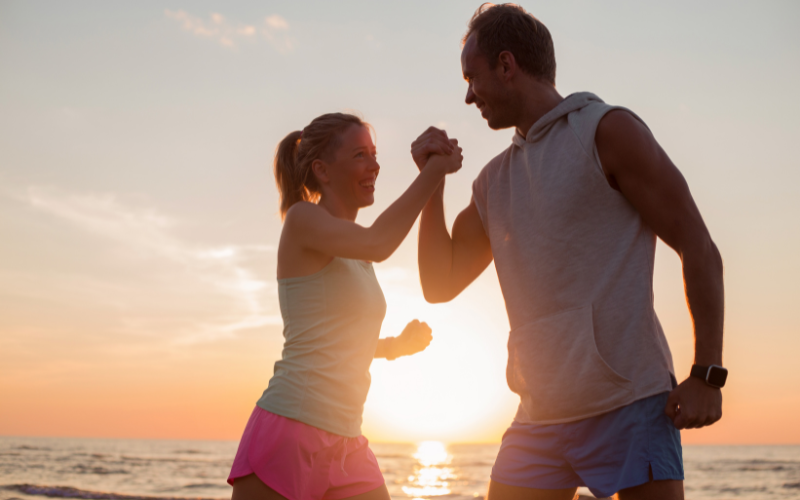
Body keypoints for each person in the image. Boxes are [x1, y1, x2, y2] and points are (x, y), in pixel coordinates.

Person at [412, 4, 725, 500]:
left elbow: (698, 246)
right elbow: (439, 283)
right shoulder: (494, 181)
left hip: (632, 403)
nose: (468, 94)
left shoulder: (606, 131)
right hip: (537, 416)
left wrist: (708, 374)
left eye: (473, 77)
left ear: (507, 65)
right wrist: (432, 182)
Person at [229, 112, 463, 500]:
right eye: (359, 155)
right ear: (322, 170)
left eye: (374, 154)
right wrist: (434, 171)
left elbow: (335, 337)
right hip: (291, 431)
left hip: (347, 440)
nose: (374, 166)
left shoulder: (356, 251)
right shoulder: (304, 219)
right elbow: (379, 242)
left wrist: (392, 348)